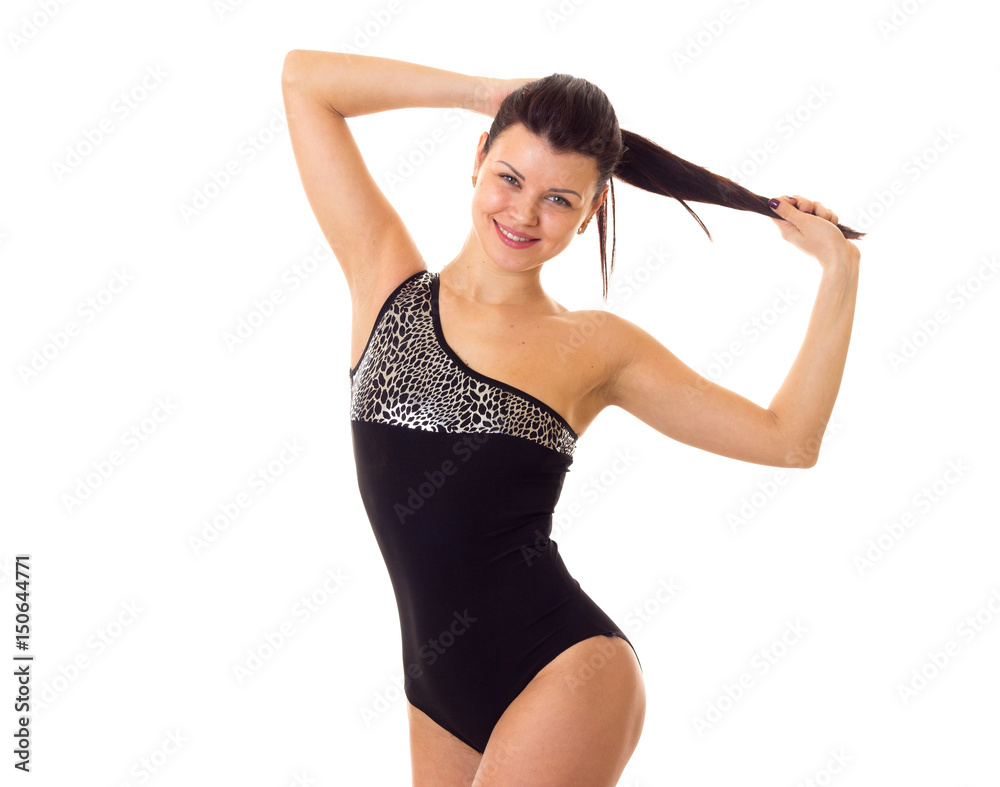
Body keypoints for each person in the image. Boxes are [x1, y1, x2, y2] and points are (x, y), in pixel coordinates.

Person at [281, 50, 861, 786]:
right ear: (477, 160)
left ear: (591, 212)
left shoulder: (595, 346)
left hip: (565, 671)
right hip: (436, 686)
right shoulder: (386, 282)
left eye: (559, 198)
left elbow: (789, 440)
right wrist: (488, 93)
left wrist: (840, 274)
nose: (524, 213)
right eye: (509, 177)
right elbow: (305, 82)